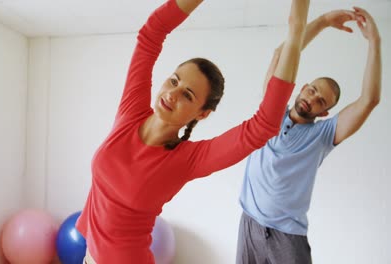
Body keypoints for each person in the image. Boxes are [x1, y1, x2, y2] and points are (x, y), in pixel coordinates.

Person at [75, 0, 310, 263]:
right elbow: (151, 33)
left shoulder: (186, 159)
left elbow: (263, 125)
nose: (172, 94)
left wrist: (297, 30)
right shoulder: (131, 112)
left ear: (202, 113)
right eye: (174, 81)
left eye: (187, 95)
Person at [236, 7, 381, 264]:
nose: (312, 99)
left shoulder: (323, 135)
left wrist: (375, 42)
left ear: (324, 112)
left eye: (320, 100)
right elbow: (281, 53)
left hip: (287, 236)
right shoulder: (271, 111)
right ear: (303, 88)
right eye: (312, 90)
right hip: (250, 224)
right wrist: (323, 21)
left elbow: (369, 100)